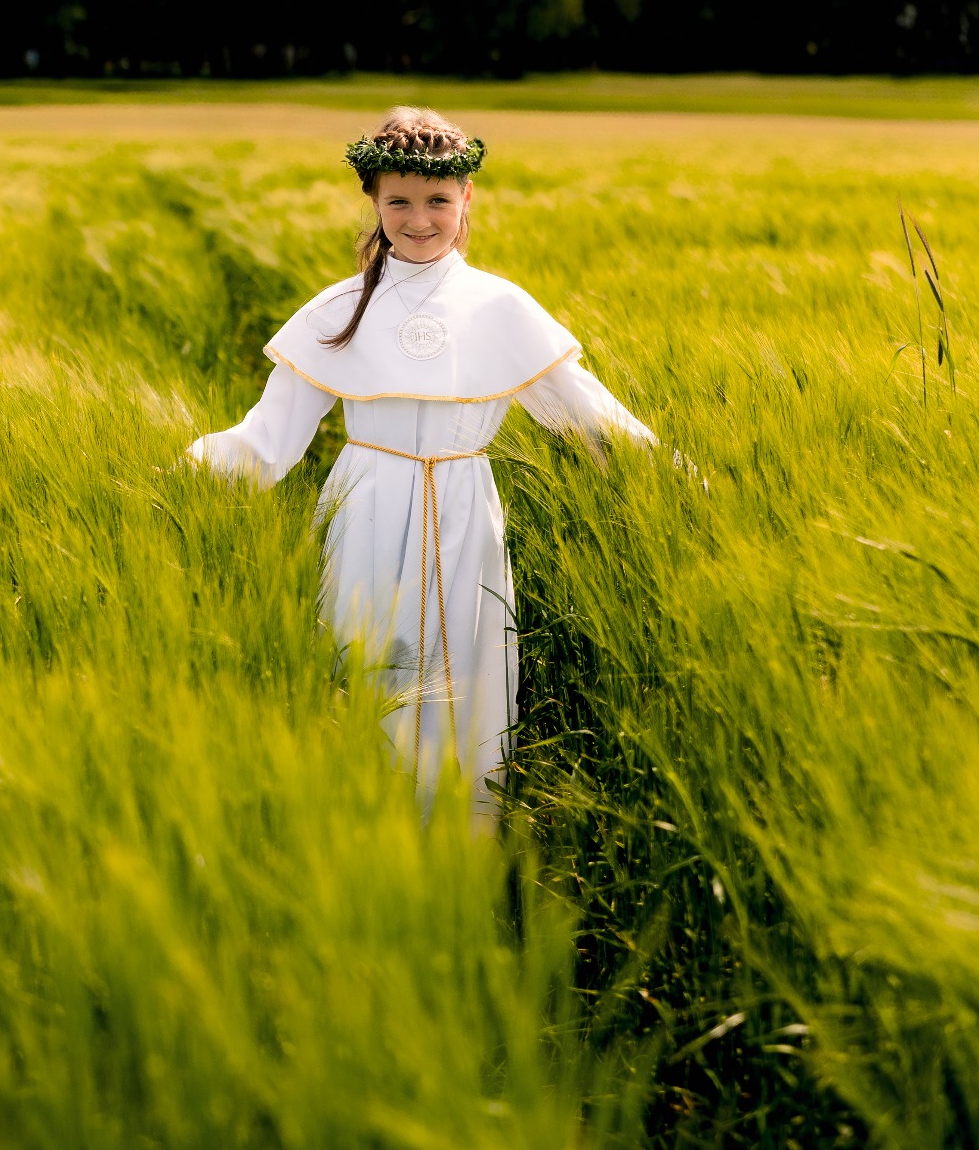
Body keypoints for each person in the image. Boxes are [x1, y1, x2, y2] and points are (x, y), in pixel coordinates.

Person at [186, 108, 655, 822]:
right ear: (373, 200)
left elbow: (588, 413)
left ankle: (465, 849)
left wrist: (680, 477)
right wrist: (179, 476)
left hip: (466, 512)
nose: (419, 218)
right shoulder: (339, 310)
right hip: (367, 509)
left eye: (438, 200)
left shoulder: (501, 307)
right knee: (368, 667)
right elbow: (267, 437)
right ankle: (370, 846)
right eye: (398, 200)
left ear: (467, 198)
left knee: (472, 681)